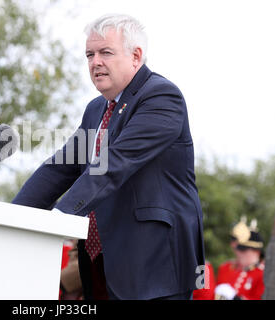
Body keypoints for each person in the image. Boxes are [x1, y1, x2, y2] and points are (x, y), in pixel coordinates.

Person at [12, 14, 204, 300]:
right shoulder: (95, 109)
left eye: (105, 52)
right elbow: (59, 168)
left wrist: (60, 217)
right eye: (89, 54)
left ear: (136, 56)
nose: (95, 62)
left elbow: (114, 164)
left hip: (155, 267)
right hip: (103, 266)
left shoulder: (162, 97)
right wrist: (11, 219)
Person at [215, 220, 265, 300]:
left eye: (243, 250)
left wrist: (236, 298)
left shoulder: (263, 274)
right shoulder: (225, 268)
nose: (239, 254)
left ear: (257, 251)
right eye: (238, 249)